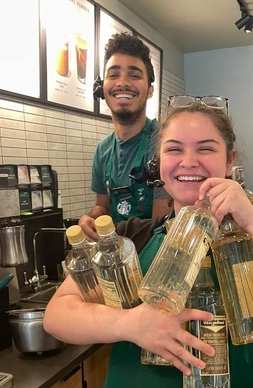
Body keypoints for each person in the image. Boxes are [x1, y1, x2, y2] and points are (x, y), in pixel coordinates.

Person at [45, 103, 253, 388]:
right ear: (160, 164)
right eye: (174, 149)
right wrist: (130, 323)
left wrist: (252, 222)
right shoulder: (130, 237)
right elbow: (57, 315)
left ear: (230, 160)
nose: (188, 161)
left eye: (206, 148)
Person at [78, 32, 171, 241]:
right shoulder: (103, 150)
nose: (123, 82)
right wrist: (91, 218)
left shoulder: (165, 143)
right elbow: (103, 207)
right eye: (113, 74)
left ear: (149, 90)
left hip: (152, 256)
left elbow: (160, 226)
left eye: (135, 75)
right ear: (103, 87)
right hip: (118, 257)